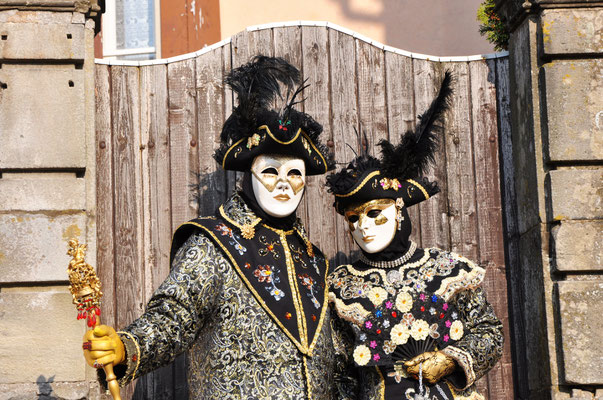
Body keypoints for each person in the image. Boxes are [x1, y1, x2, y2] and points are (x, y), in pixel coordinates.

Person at [82, 56, 347, 399]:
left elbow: (335, 360)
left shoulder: (313, 258)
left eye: (294, 174)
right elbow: (174, 316)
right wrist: (127, 347)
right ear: (248, 175)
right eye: (270, 172)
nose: (283, 183)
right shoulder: (213, 242)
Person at [325, 72, 503, 400]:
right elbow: (341, 375)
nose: (363, 226)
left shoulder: (448, 270)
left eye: (374, 213)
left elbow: (489, 333)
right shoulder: (339, 288)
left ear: (399, 210)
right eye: (353, 218)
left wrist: (449, 360)